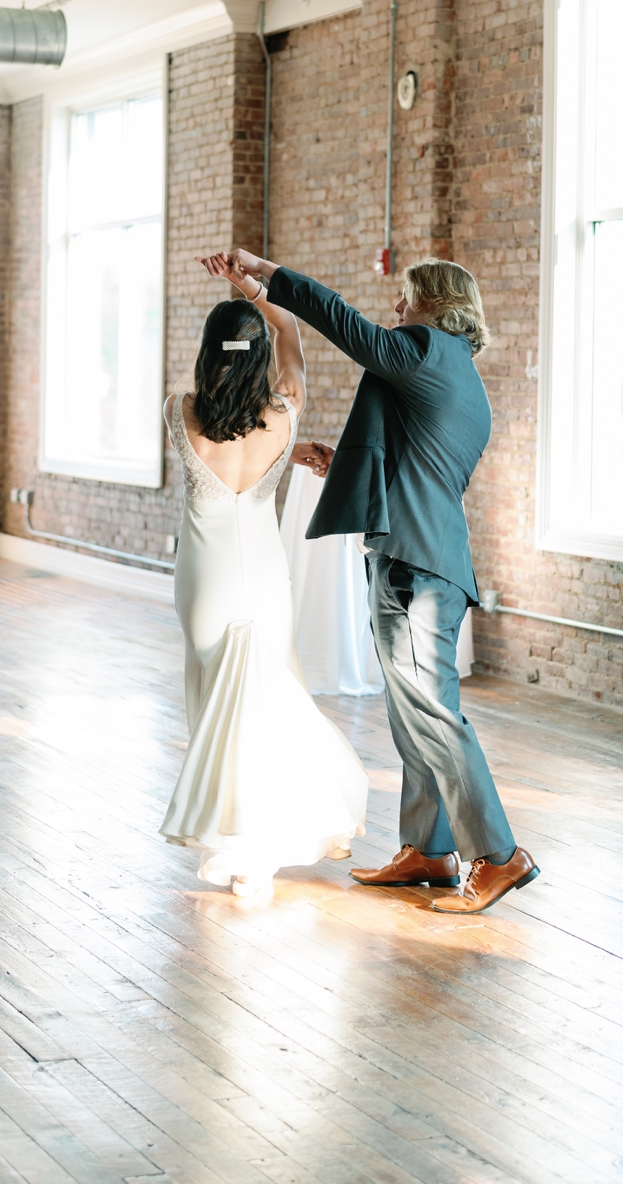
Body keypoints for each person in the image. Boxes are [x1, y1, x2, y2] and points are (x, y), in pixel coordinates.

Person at [213, 248, 538, 916]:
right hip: (417, 556)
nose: (398, 311)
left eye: (409, 297)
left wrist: (269, 274)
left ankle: (499, 854)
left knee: (434, 712)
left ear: (435, 307)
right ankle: (429, 848)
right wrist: (346, 466)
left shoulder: (423, 350)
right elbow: (419, 467)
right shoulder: (461, 377)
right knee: (410, 711)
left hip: (420, 566)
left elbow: (343, 322)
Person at [158, 257, 367, 899]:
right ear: (258, 360)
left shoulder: (179, 410)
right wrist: (252, 289)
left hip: (204, 582)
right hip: (266, 580)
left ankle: (232, 839)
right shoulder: (287, 413)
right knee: (270, 701)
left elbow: (222, 413)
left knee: (214, 703)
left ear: (205, 352)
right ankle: (261, 842)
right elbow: (292, 335)